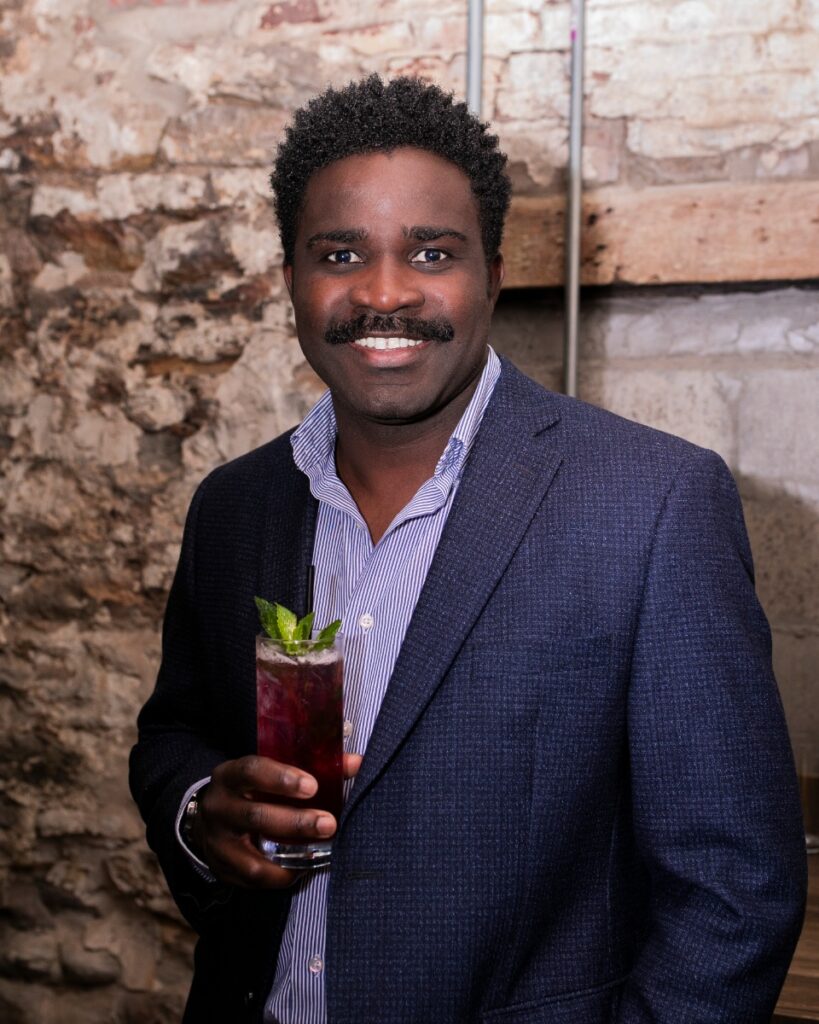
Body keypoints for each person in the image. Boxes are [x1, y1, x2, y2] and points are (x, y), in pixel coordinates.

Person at [129, 75, 807, 1023]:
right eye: (339, 254)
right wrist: (202, 810)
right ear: (289, 279)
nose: (384, 293)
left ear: (491, 272)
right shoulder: (234, 507)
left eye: (431, 252)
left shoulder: (652, 504)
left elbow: (734, 894)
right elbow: (174, 736)